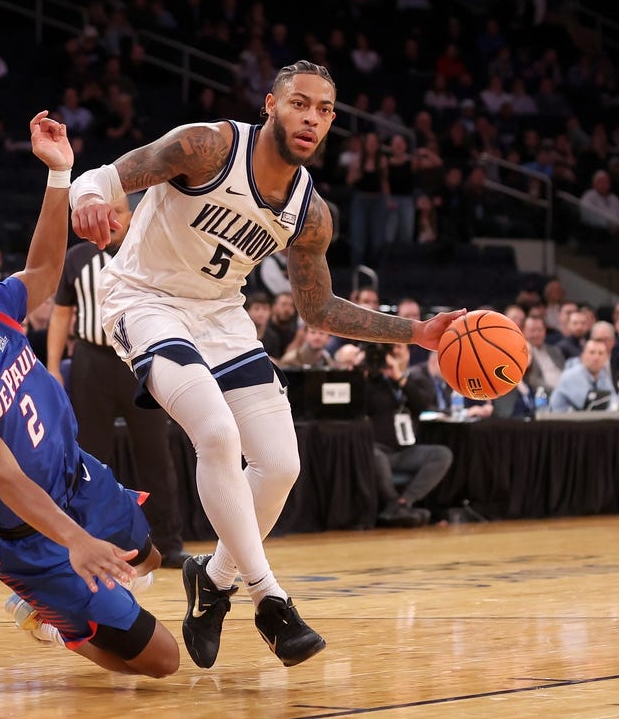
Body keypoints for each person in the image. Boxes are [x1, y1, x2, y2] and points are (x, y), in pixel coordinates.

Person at [68, 60, 464, 668]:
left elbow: (319, 308)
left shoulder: (310, 214)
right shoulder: (206, 146)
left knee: (281, 464)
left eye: (325, 110)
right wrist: (91, 198)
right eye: (300, 103)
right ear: (271, 106)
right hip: (145, 300)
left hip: (222, 317)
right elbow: (107, 175)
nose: (311, 117)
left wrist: (420, 334)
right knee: (217, 434)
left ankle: (213, 581)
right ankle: (269, 598)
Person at [0, 111, 180, 678]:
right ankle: (49, 618)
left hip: (77, 477)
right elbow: (5, 479)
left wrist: (59, 174)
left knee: (148, 556)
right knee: (161, 663)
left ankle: (85, 592)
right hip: (30, 535)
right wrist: (75, 541)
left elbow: (44, 267)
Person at [48, 194, 189, 570]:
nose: (109, 221)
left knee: (156, 453)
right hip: (90, 361)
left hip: (140, 361)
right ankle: (87, 540)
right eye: (105, 213)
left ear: (133, 216)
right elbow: (62, 314)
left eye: (118, 214)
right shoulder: (77, 258)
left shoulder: (154, 254)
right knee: (89, 456)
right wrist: (52, 364)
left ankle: (169, 544)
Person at [365, 342, 452, 527]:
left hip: (404, 452)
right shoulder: (373, 381)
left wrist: (399, 378)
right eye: (390, 348)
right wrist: (371, 373)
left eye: (399, 347)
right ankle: (393, 505)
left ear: (408, 353)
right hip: (378, 450)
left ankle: (402, 504)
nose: (395, 351)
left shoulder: (417, 379)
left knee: (442, 455)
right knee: (374, 455)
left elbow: (421, 404)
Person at [549, 339, 617, 412]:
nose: (596, 357)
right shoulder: (572, 375)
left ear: (606, 358)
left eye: (600, 353)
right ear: (583, 356)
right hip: (559, 420)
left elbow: (614, 399)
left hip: (583, 420)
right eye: (592, 352)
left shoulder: (602, 375)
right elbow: (590, 405)